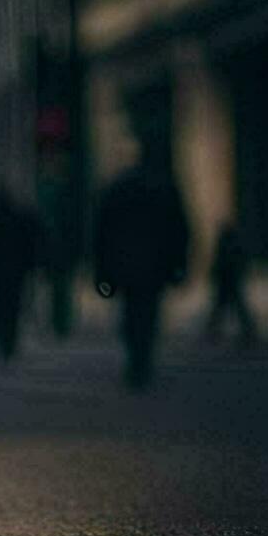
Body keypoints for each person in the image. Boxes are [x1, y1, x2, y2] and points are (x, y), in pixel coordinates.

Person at [94, 161, 189, 390]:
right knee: (146, 314)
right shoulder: (161, 191)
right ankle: (141, 360)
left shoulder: (116, 192)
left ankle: (138, 360)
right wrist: (177, 267)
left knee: (132, 315)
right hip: (152, 267)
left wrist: (103, 273)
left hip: (126, 267)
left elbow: (101, 235)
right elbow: (179, 231)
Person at [0, 187, 40, 364]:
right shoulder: (18, 221)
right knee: (12, 308)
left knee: (0, 308)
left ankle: (4, 341)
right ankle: (8, 341)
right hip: (14, 273)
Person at [207, 223, 258, 345]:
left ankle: (247, 331)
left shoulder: (229, 246)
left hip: (228, 281)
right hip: (228, 281)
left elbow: (222, 263)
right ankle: (247, 331)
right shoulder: (232, 246)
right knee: (229, 307)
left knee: (226, 307)